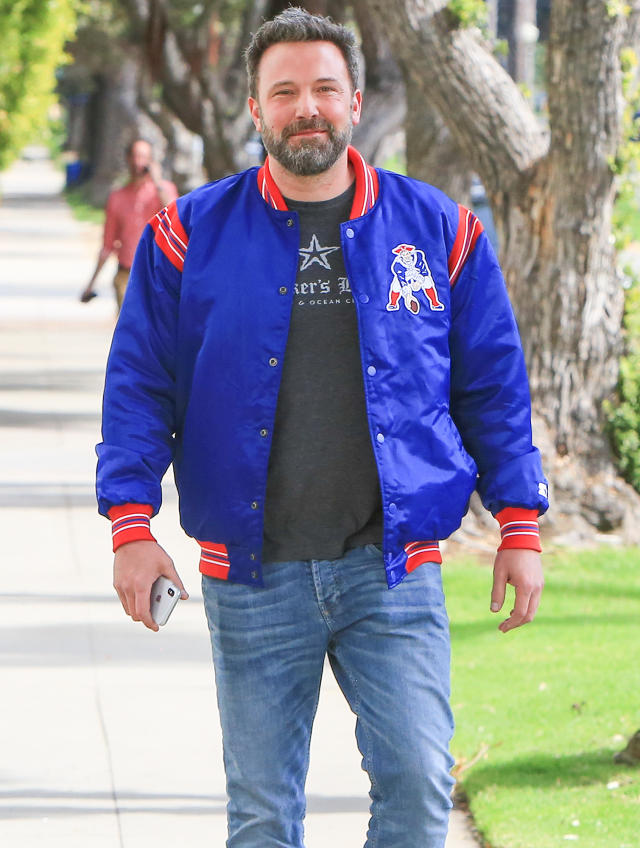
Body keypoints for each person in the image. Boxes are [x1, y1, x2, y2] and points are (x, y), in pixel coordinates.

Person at [96, 8, 549, 847]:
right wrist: (132, 525)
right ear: (257, 109)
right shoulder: (185, 236)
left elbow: (492, 386)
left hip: (393, 571)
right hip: (254, 576)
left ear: (355, 100)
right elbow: (137, 388)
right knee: (264, 817)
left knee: (416, 791)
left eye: (324, 90)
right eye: (285, 92)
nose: (307, 107)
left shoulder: (441, 232)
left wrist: (520, 524)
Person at [80, 138, 178, 310]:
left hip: (159, 276)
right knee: (130, 332)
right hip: (127, 275)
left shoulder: (164, 190)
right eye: (134, 156)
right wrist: (91, 284)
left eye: (143, 157)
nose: (138, 162)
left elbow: (175, 218)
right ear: (127, 159)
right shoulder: (117, 197)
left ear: (151, 161)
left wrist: (157, 182)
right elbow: (107, 245)